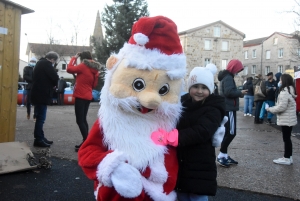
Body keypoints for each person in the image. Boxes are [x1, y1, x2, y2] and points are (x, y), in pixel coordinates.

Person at [175, 64, 225, 201]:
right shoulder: (183, 103)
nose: (199, 91)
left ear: (210, 89)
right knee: (182, 195)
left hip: (200, 163)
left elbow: (203, 130)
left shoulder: (213, 108)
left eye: (204, 88)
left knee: (197, 196)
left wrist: (177, 137)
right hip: (183, 161)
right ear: (189, 87)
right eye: (195, 86)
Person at [216, 59, 248, 167]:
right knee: (231, 132)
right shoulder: (228, 77)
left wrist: (239, 93)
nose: (238, 72)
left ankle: (224, 155)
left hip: (227, 107)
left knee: (228, 132)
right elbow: (229, 92)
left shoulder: (226, 77)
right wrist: (240, 92)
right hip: (229, 108)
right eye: (238, 69)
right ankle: (221, 155)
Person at [67, 51, 100, 152]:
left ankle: (86, 143)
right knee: (83, 119)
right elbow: (94, 85)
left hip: (81, 96)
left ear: (82, 58)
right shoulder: (95, 69)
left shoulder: (83, 66)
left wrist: (74, 58)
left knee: (80, 120)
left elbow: (69, 69)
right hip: (88, 96)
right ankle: (86, 140)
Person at [266, 74, 297, 165]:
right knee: (287, 138)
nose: (279, 81)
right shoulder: (291, 90)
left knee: (286, 138)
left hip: (286, 118)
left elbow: (281, 107)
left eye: (280, 80)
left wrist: (270, 109)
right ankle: (288, 156)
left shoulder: (284, 92)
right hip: (289, 118)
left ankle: (286, 158)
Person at [31, 51, 59, 147]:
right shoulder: (46, 64)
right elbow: (55, 77)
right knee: (41, 118)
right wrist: (54, 84)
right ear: (52, 59)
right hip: (41, 95)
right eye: (54, 61)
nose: (54, 63)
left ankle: (40, 137)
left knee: (39, 117)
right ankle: (38, 139)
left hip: (37, 94)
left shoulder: (40, 63)